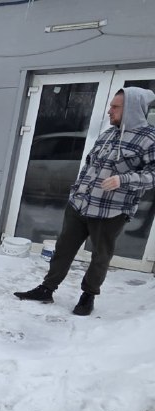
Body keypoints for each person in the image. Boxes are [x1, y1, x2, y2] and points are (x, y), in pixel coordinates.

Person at [15, 86, 155, 316]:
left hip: (111, 211)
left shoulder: (149, 139)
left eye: (115, 107)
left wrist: (123, 180)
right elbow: (89, 165)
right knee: (63, 249)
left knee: (100, 255)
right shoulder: (108, 134)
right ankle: (47, 288)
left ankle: (88, 295)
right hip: (80, 204)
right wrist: (76, 192)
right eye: (110, 106)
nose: (109, 111)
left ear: (131, 109)